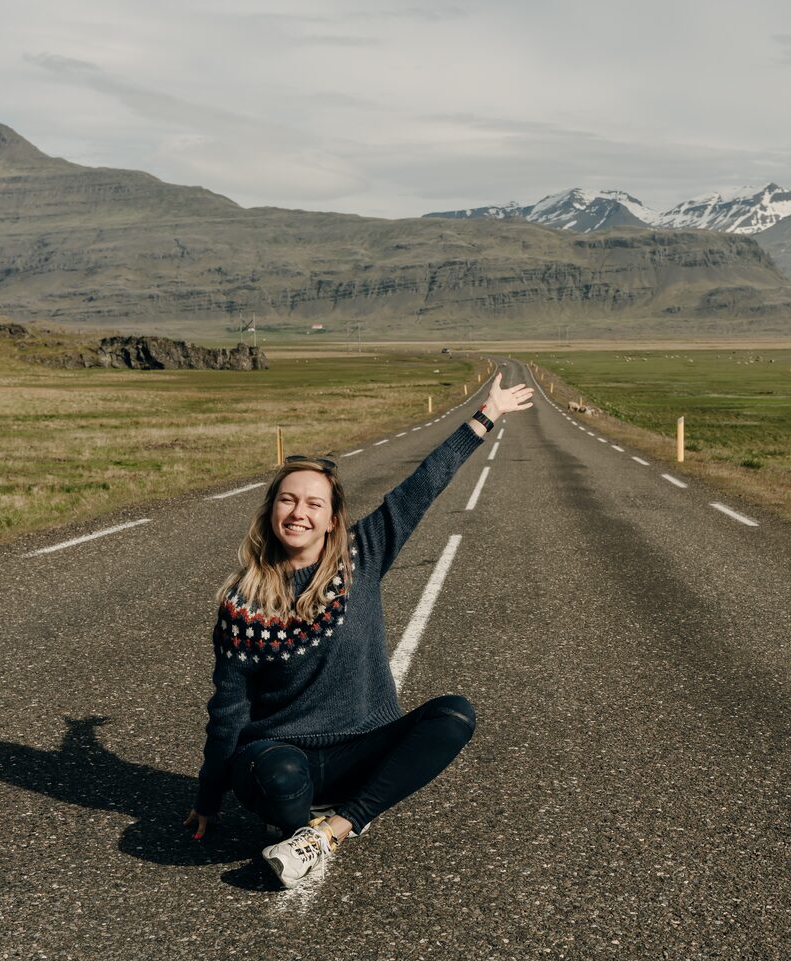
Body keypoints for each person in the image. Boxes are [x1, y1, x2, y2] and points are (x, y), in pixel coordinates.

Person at [184, 371, 533, 888]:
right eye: (287, 500)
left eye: (313, 504)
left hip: (360, 750)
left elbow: (422, 486)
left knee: (453, 715)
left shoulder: (360, 557)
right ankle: (295, 814)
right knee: (280, 777)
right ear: (270, 511)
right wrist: (207, 800)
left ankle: (331, 830)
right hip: (281, 753)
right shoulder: (242, 606)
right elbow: (228, 712)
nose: (298, 512)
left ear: (331, 519)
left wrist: (487, 416)